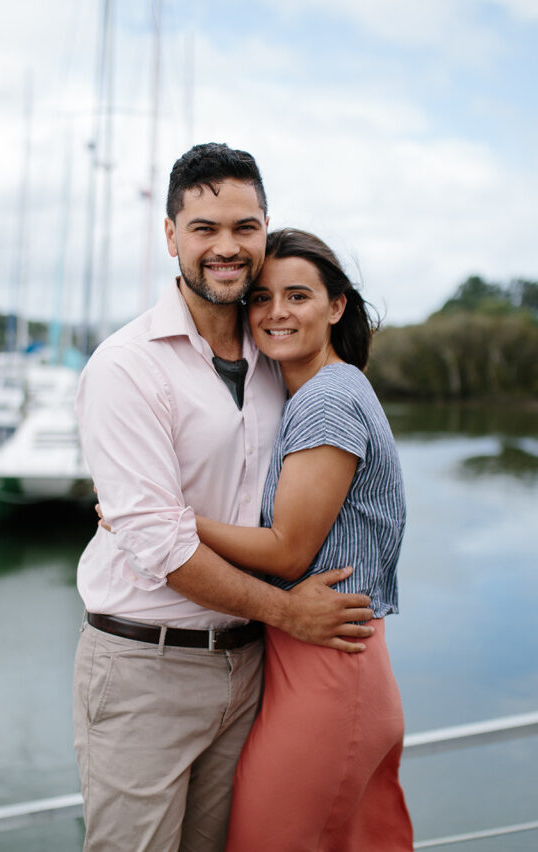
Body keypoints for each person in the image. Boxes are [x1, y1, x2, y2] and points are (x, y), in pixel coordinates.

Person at [73, 143, 375, 852]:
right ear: (171, 236)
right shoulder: (125, 367)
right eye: (204, 228)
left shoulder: (278, 354)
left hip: (252, 666)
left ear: (263, 230)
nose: (226, 247)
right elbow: (157, 542)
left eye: (244, 227)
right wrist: (287, 612)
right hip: (146, 665)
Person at [193, 227, 413, 850]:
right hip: (337, 659)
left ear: (336, 305)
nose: (276, 313)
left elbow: (288, 549)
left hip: (327, 672)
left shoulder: (325, 400)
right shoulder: (328, 390)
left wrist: (168, 518)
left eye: (297, 296)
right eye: (261, 298)